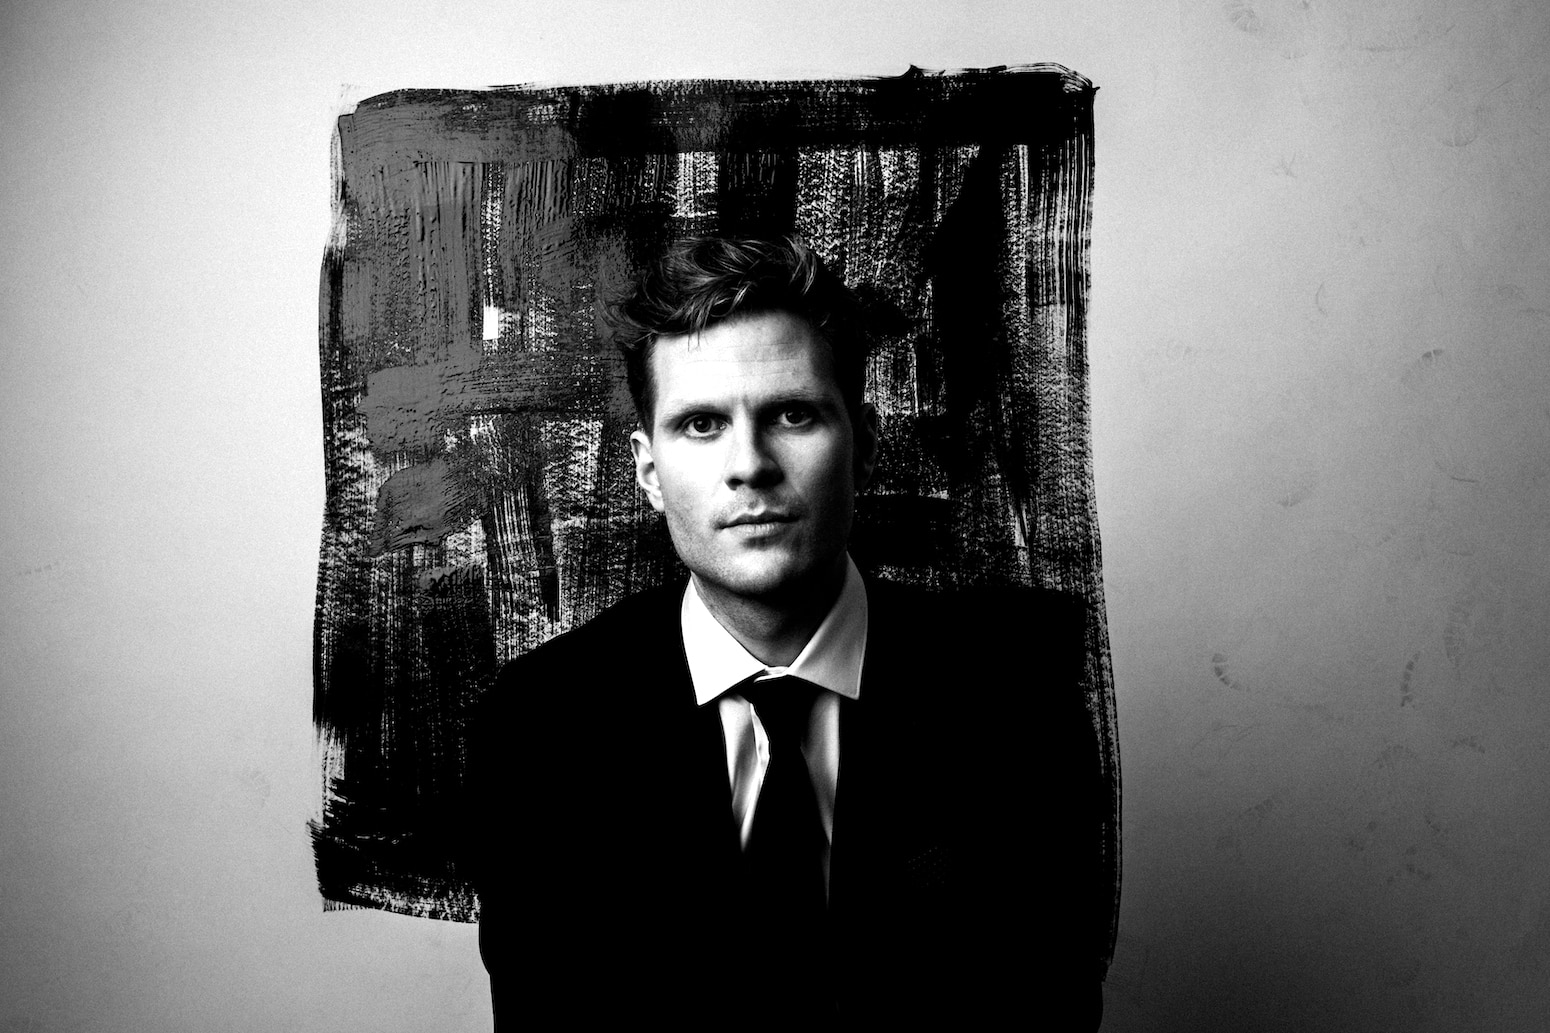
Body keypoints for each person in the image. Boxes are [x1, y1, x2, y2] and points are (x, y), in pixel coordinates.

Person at [466, 237, 1105, 1028]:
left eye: (792, 414)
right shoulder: (536, 728)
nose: (750, 465)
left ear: (863, 445)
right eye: (701, 424)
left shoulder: (1021, 711)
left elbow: (1046, 1008)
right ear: (648, 471)